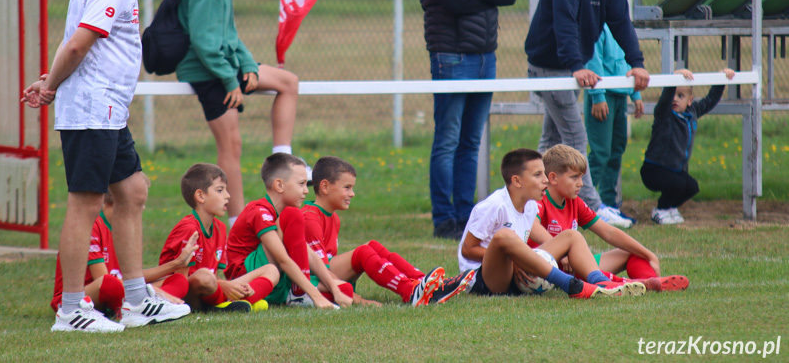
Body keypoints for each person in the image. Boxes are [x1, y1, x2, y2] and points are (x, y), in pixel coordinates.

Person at [23, 0, 190, 332]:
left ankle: (136, 300)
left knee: (132, 191)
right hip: (93, 110)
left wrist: (55, 78)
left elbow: (86, 48)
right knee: (86, 204)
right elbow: (79, 43)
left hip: (108, 110)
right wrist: (52, 86)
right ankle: (72, 310)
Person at [176, 0, 301, 224]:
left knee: (288, 82)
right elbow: (205, 44)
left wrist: (246, 66)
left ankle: (282, 160)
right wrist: (231, 80)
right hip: (208, 72)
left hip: (224, 68)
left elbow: (230, 37)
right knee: (231, 147)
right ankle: (237, 225)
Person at [524, 0, 649, 215]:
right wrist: (575, 65)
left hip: (569, 68)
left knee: (552, 140)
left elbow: (621, 21)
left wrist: (637, 63)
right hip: (550, 67)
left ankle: (533, 206)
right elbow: (564, 22)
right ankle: (593, 209)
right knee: (576, 140)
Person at [416, 0, 517, 239]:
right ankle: (444, 219)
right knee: (448, 139)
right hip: (452, 55)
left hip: (485, 56)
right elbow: (450, 3)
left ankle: (465, 216)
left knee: (471, 141)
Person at [457, 148, 645, 298]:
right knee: (504, 237)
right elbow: (467, 250)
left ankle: (600, 282)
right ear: (517, 181)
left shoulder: (530, 206)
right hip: (487, 280)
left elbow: (607, 232)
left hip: (518, 275)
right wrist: (512, 259)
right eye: (538, 175)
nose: (546, 180)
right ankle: (571, 285)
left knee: (571, 235)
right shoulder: (494, 205)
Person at [303, 156, 474, 306]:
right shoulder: (310, 218)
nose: (352, 193)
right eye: (347, 187)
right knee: (363, 252)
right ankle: (411, 291)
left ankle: (429, 284)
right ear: (325, 187)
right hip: (310, 284)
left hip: (324, 277)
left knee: (372, 245)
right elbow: (319, 271)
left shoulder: (332, 218)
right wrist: (357, 299)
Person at [529, 145, 689, 292]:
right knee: (575, 243)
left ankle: (652, 282)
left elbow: (609, 232)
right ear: (553, 178)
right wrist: (560, 251)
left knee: (632, 252)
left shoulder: (574, 202)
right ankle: (615, 283)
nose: (581, 184)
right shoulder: (539, 199)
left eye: (581, 177)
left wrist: (648, 254)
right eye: (574, 177)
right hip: (544, 267)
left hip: (573, 264)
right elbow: (532, 226)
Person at [223, 153, 353, 309]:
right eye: (301, 184)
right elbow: (283, 259)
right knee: (293, 215)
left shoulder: (282, 213)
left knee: (344, 288)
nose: (306, 191)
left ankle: (294, 294)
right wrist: (316, 296)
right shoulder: (259, 210)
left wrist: (334, 290)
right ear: (279, 185)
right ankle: (298, 295)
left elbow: (308, 253)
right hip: (248, 278)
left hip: (278, 277)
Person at [50, 181, 197, 316]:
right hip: (79, 297)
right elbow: (104, 279)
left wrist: (176, 264)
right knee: (111, 284)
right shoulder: (94, 224)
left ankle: (139, 305)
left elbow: (131, 278)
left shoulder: (125, 229)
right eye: (139, 202)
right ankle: (131, 309)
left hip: (118, 290)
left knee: (179, 281)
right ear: (120, 197)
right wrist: (149, 291)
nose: (143, 208)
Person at [159, 163, 278, 312]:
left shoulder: (220, 228)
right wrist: (223, 285)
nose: (228, 195)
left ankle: (238, 301)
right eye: (220, 190)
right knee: (203, 276)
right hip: (181, 293)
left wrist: (234, 287)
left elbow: (214, 275)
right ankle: (229, 304)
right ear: (200, 196)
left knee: (271, 270)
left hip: (210, 287)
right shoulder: (189, 228)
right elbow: (182, 280)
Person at [583, 0, 644, 228]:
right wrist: (597, 95)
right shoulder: (594, 24)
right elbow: (592, 60)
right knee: (599, 152)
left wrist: (636, 93)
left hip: (621, 95)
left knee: (617, 149)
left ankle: (609, 204)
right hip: (602, 97)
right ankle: (587, 205)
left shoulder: (621, 24)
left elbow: (629, 62)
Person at [642, 68, 735, 224]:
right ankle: (660, 210)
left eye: (681, 96)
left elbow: (710, 100)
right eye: (674, 95)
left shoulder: (692, 112)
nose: (675, 100)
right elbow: (665, 100)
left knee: (691, 186)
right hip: (653, 170)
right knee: (678, 184)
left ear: (690, 100)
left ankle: (670, 207)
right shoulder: (664, 114)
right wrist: (674, 80)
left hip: (675, 170)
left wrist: (721, 79)